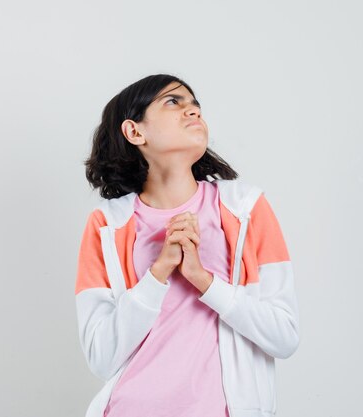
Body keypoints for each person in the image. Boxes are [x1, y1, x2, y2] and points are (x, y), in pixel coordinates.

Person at [75, 74, 300, 417]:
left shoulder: (246, 209)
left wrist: (203, 280)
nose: (193, 111)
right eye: (172, 102)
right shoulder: (106, 225)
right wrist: (158, 272)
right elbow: (101, 357)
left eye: (195, 105)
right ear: (135, 132)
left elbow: (283, 336)